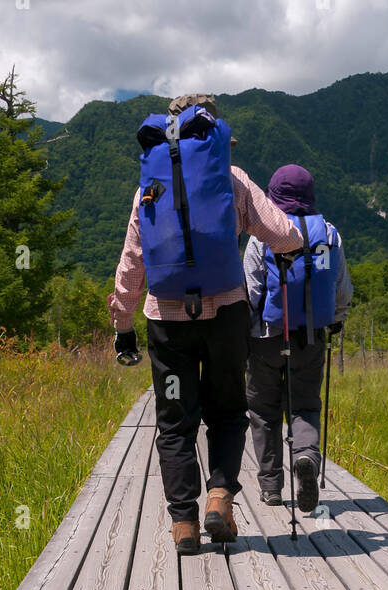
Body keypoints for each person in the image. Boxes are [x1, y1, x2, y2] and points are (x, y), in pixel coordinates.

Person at [108, 94, 304, 555]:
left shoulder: (148, 187)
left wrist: (123, 325)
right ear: (214, 134)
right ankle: (220, 497)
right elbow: (284, 234)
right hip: (227, 318)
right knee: (228, 411)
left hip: (168, 324)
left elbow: (131, 265)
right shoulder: (230, 178)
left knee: (175, 421)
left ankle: (184, 524)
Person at [244, 164, 353, 510]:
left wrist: (246, 331)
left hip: (266, 337)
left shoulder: (263, 234)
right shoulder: (330, 234)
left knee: (264, 410)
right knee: (304, 404)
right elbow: (341, 288)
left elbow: (252, 289)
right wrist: (336, 320)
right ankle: (306, 456)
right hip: (311, 336)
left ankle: (271, 486)